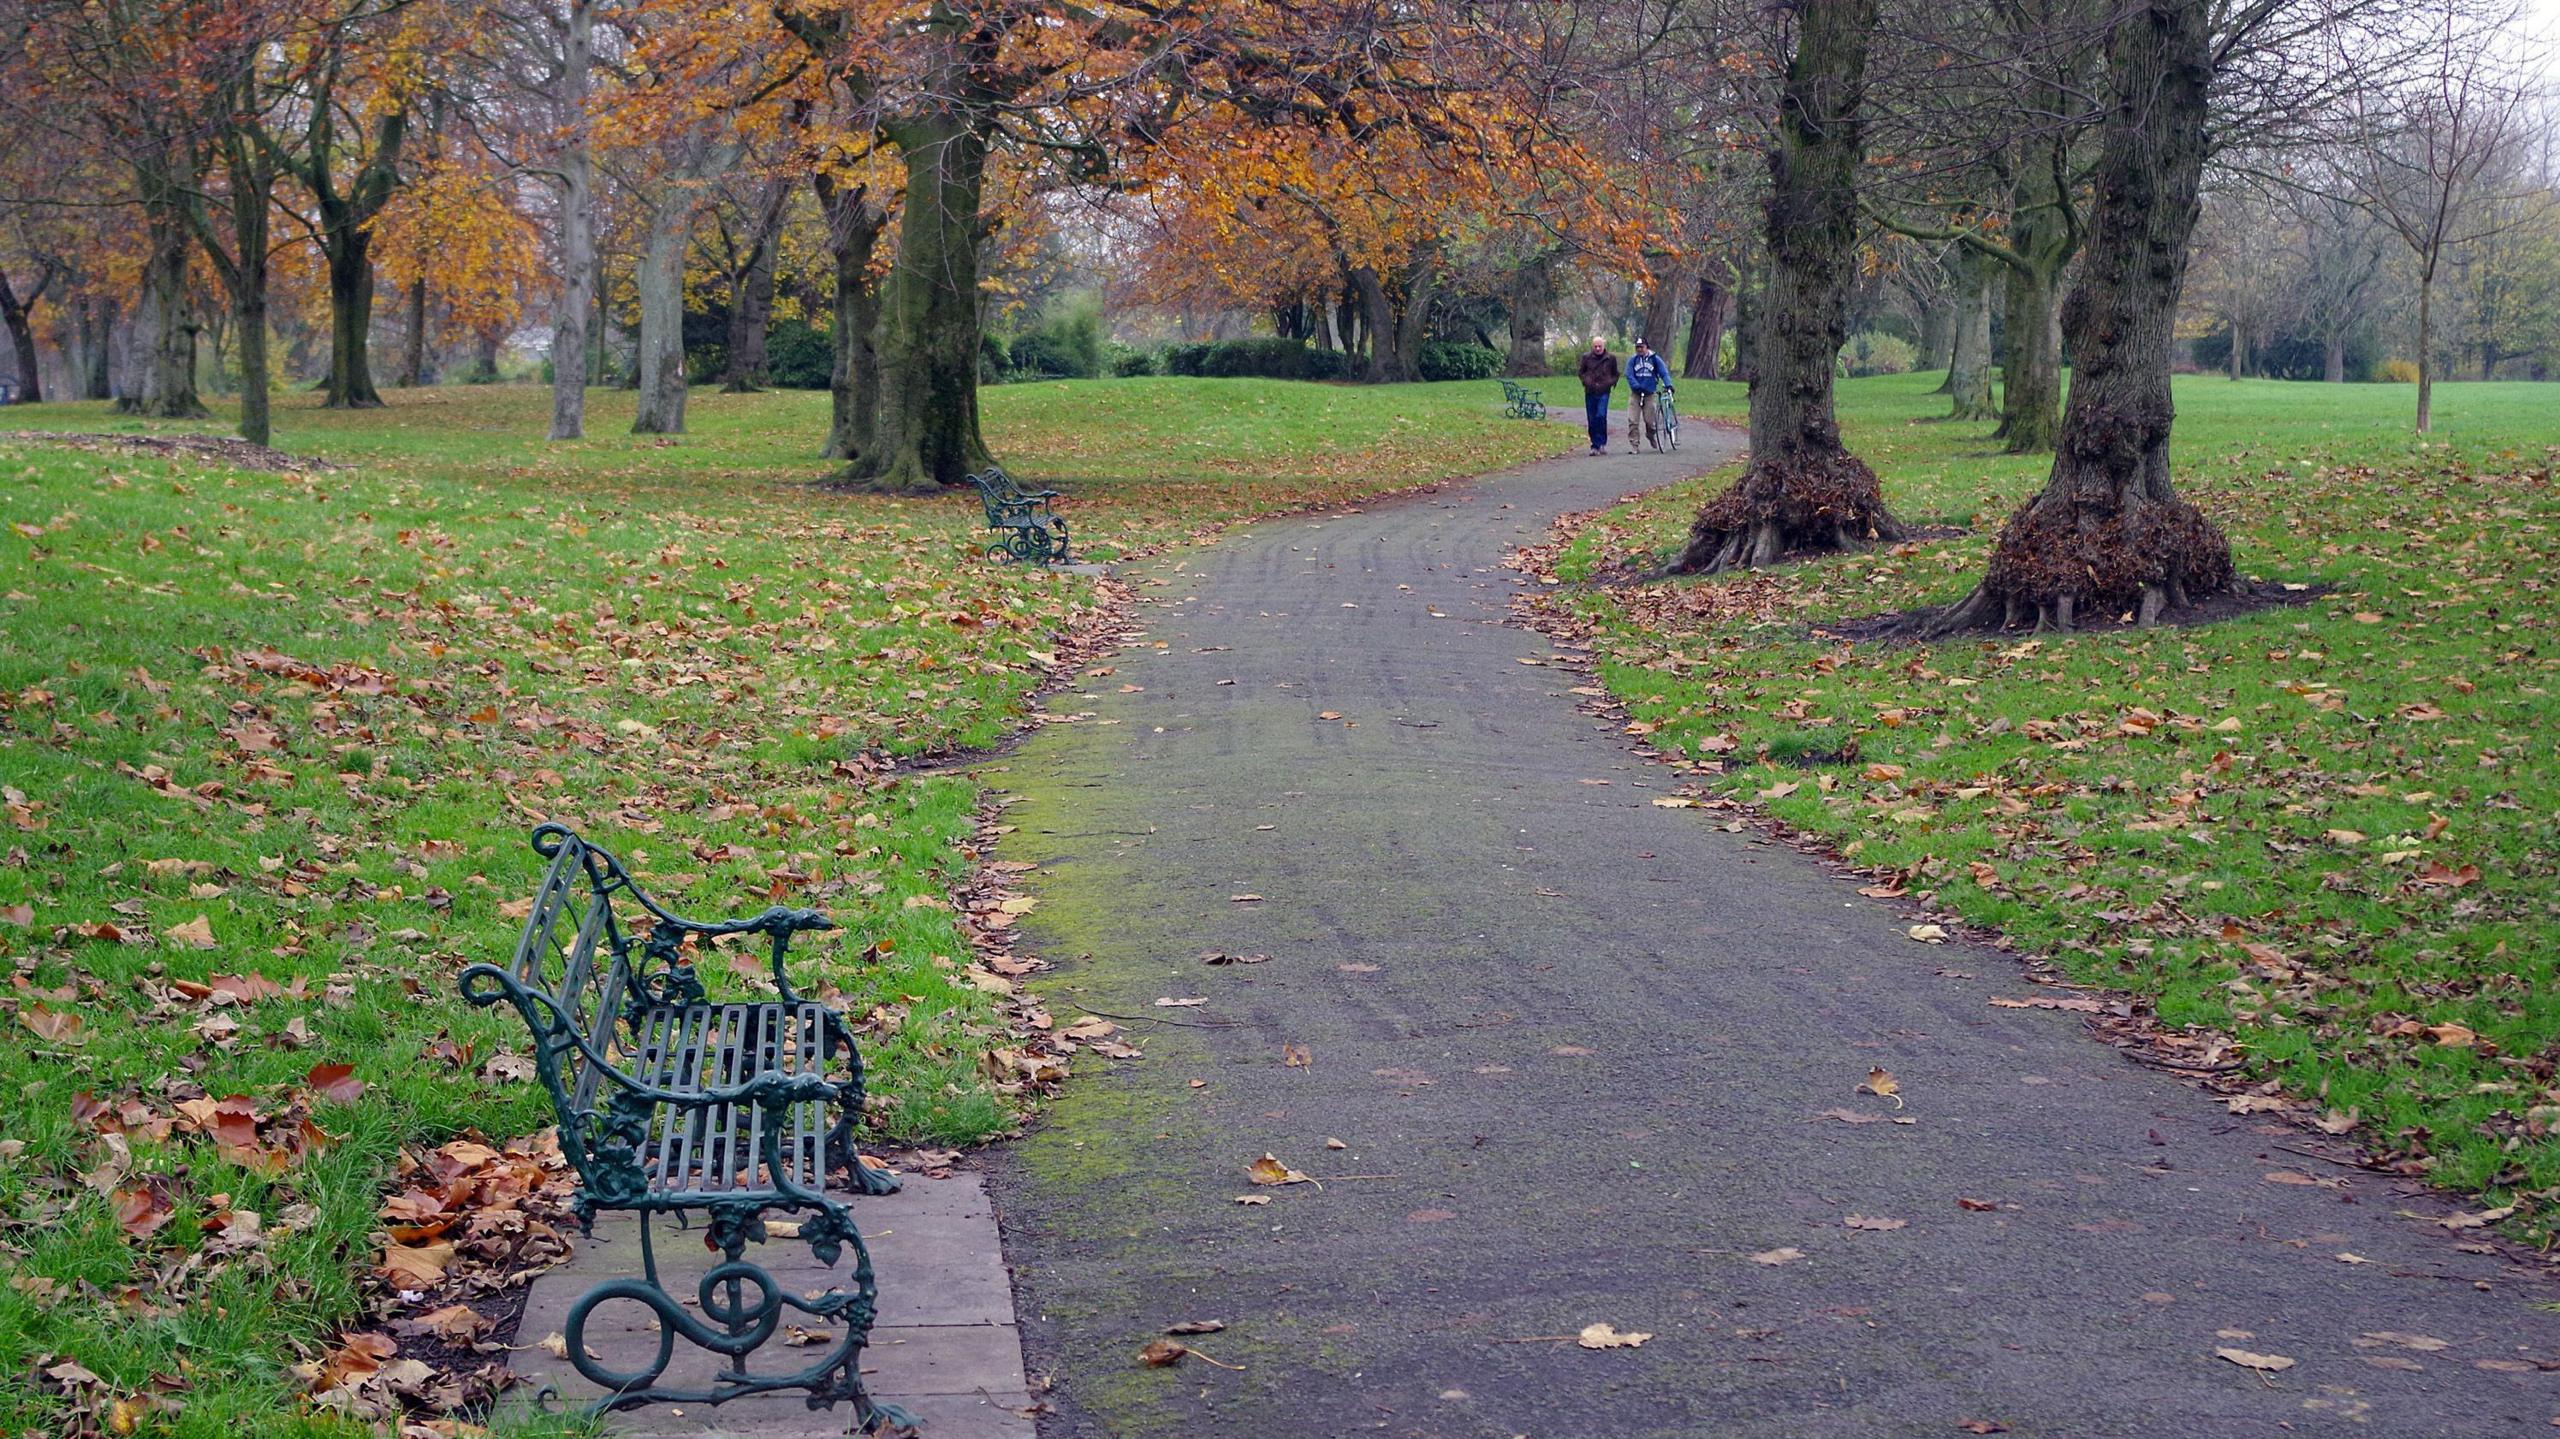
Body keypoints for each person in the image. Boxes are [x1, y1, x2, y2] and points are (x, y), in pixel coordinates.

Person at [1625, 339, 1671, 453]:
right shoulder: (1632, 360)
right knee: (1633, 420)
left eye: (1642, 347)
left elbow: (1663, 373)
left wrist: (1668, 384)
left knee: (1650, 421)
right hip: (1636, 394)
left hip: (1649, 394)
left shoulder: (1655, 359)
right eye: (1637, 347)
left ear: (1647, 347)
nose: (1639, 349)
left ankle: (1651, 435)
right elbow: (1629, 374)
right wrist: (1636, 386)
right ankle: (1634, 445)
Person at [1576, 338, 1621, 455]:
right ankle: (1594, 445)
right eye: (1595, 346)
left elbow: (1616, 374)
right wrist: (1587, 381)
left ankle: (1601, 443)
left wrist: (1609, 382)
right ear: (1592, 346)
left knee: (1601, 416)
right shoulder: (1586, 358)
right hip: (1590, 391)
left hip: (1604, 391)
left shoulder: (1610, 358)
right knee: (1592, 419)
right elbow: (1581, 372)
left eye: (1599, 346)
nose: (1597, 349)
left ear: (1603, 346)